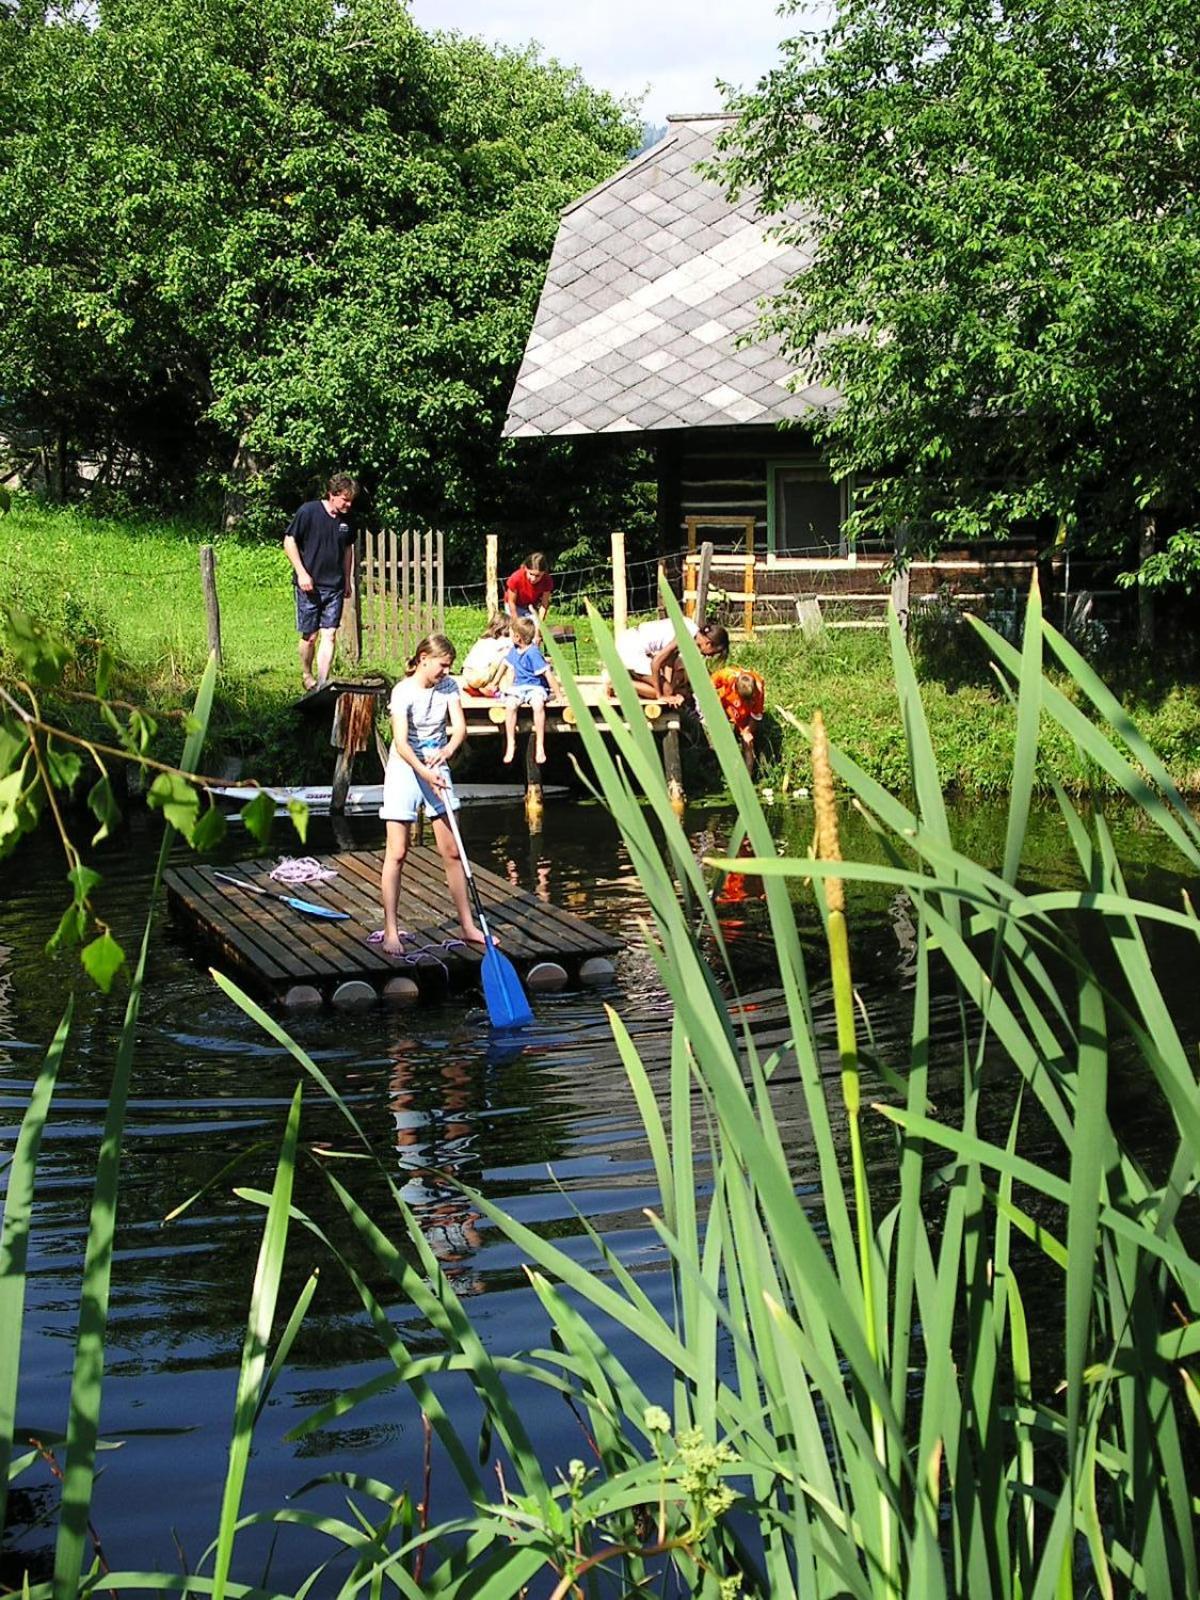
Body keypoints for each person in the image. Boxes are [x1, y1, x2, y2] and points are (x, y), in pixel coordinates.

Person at [377, 634, 489, 960]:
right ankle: (391, 929)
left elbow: (459, 729)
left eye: (449, 667)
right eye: (442, 665)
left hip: (437, 765)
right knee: (397, 851)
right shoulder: (403, 692)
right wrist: (424, 773)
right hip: (406, 767)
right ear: (424, 658)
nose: (445, 671)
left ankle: (467, 926)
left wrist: (447, 751)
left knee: (452, 850)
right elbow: (400, 742)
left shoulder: (450, 687)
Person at [283, 473, 359, 691]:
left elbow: (347, 550)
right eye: (345, 499)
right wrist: (301, 573)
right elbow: (289, 541)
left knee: (330, 633)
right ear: (332, 495)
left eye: (351, 499)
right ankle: (307, 674)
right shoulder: (308, 511)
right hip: (309, 585)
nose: (348, 504)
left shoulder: (348, 521)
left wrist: (347, 580)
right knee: (310, 635)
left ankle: (323, 681)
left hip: (334, 585)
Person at [610, 616, 729, 705]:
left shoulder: (691, 629)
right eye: (713, 653)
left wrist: (669, 687)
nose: (710, 656)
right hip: (630, 648)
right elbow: (656, 662)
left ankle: (628, 678)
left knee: (668, 690)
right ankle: (616, 684)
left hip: (631, 641)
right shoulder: (685, 636)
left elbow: (669, 661)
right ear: (708, 643)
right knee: (664, 692)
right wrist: (660, 695)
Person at [501, 616, 557, 766]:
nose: (510, 636)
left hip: (535, 687)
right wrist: (495, 683)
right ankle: (510, 742)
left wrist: (558, 694)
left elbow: (547, 674)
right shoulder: (515, 650)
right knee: (510, 705)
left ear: (518, 637)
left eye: (511, 633)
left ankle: (540, 745)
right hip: (519, 687)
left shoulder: (533, 652)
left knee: (538, 705)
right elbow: (506, 666)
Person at [711, 665, 766, 773]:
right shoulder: (727, 675)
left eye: (749, 700)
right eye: (743, 699)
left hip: (744, 714)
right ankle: (718, 768)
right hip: (725, 704)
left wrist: (747, 731)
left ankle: (747, 777)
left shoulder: (759, 690)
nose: (746, 702)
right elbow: (708, 685)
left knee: (747, 741)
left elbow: (756, 715)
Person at [458, 614, 512, 698]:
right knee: (506, 657)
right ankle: (493, 686)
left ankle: (475, 688)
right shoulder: (502, 642)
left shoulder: (482, 640)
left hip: (467, 673)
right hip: (481, 676)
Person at [503, 551, 553, 633]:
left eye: (537, 576)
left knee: (533, 631)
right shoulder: (516, 578)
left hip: (529, 606)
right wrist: (516, 624)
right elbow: (511, 602)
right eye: (531, 574)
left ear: (544, 573)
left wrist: (539, 627)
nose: (533, 579)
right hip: (513, 605)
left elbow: (544, 605)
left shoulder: (547, 581)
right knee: (516, 631)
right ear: (525, 568)